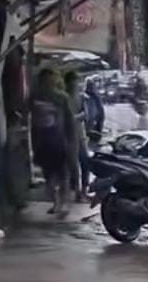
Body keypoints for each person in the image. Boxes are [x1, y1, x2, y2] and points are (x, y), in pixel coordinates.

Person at [30, 68, 77, 214]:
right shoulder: (34, 97)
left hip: (59, 140)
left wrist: (71, 142)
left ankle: (61, 202)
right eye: (45, 80)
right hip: (42, 142)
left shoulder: (62, 98)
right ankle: (56, 201)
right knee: (49, 175)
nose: (48, 83)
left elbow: (70, 121)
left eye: (51, 80)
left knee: (62, 174)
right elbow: (31, 119)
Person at [64, 71, 89, 201]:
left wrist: (74, 118)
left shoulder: (82, 97)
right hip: (67, 135)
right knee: (73, 166)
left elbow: (86, 114)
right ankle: (77, 191)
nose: (76, 84)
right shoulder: (63, 98)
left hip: (80, 134)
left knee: (85, 163)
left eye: (77, 81)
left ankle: (84, 190)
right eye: (74, 81)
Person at [83, 78, 105, 148]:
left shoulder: (96, 96)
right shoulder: (85, 97)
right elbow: (87, 111)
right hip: (90, 122)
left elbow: (100, 108)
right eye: (90, 85)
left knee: (97, 136)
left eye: (93, 85)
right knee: (92, 137)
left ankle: (94, 147)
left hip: (98, 121)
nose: (92, 87)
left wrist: (101, 118)